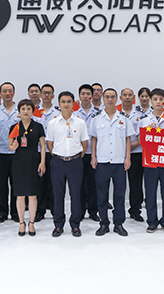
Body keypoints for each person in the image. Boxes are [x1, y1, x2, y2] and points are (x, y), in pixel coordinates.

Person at [89, 88, 134, 236]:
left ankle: (118, 223)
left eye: (112, 97)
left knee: (119, 195)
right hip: (102, 161)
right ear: (103, 99)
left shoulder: (124, 118)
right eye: (107, 97)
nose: (109, 99)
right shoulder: (96, 118)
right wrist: (93, 157)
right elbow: (94, 138)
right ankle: (104, 223)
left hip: (119, 162)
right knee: (102, 195)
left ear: (117, 99)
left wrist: (128, 157)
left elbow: (128, 138)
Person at [46, 91, 89, 237]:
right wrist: (58, 156)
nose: (66, 104)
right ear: (59, 104)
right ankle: (58, 225)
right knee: (58, 195)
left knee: (76, 194)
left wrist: (76, 157)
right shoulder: (52, 123)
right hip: (58, 162)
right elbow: (50, 144)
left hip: (75, 162)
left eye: (69, 101)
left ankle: (75, 225)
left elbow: (84, 144)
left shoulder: (80, 123)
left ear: (73, 104)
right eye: (63, 101)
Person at [139, 88, 164, 234]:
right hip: (150, 161)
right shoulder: (144, 120)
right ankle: (152, 221)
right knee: (150, 193)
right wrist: (148, 131)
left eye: (161, 99)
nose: (158, 102)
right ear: (151, 101)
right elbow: (140, 141)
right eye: (155, 99)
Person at [9, 99, 46, 236]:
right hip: (19, 162)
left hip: (33, 161)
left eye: (28, 109)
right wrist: (13, 146)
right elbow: (10, 146)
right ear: (19, 111)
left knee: (32, 195)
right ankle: (21, 223)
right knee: (19, 195)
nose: (25, 111)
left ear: (33, 111)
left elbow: (42, 146)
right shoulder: (15, 127)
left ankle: (31, 222)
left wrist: (42, 162)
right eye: (23, 109)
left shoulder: (38, 126)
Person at [0, 82, 21, 223]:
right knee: (1, 184)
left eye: (10, 91)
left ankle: (15, 212)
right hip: (0, 153)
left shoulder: (20, 110)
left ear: (13, 93)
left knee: (16, 184)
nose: (7, 93)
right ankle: (2, 213)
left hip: (16, 153)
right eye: (4, 91)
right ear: (0, 94)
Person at [74, 84, 101, 222]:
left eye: (88, 94)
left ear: (92, 95)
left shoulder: (99, 113)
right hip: (78, 154)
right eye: (83, 94)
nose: (85, 96)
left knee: (93, 183)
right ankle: (80, 211)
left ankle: (93, 210)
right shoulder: (74, 113)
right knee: (79, 184)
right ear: (79, 96)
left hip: (94, 153)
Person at [34, 83, 61, 222]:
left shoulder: (58, 112)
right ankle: (40, 210)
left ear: (53, 96)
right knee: (39, 182)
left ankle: (55, 208)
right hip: (37, 152)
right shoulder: (34, 111)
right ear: (40, 94)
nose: (46, 95)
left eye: (49, 93)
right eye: (44, 92)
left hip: (53, 152)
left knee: (54, 181)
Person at [120, 88, 146, 222]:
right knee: (119, 184)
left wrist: (129, 147)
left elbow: (142, 134)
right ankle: (118, 210)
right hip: (118, 154)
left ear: (134, 97)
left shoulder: (141, 113)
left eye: (130, 95)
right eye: (124, 95)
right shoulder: (115, 113)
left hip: (136, 153)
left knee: (136, 183)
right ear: (120, 98)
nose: (127, 97)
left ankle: (135, 210)